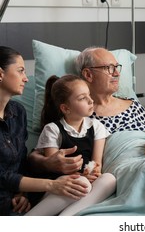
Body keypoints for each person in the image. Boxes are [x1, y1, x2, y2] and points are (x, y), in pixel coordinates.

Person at [28, 47, 145, 176]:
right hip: (127, 171)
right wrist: (48, 163)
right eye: (110, 68)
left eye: (117, 67)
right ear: (88, 74)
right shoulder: (77, 114)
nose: (117, 73)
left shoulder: (133, 105)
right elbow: (37, 155)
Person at [0, 46, 89, 216]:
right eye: (20, 71)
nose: (26, 78)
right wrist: (50, 185)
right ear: (0, 74)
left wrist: (22, 193)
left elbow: (21, 162)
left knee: (78, 183)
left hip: (19, 199)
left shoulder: (18, 112)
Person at [25, 75, 116, 216]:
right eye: (82, 98)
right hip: (58, 184)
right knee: (81, 182)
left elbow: (96, 162)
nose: (91, 101)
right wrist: (81, 176)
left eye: (89, 95)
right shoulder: (53, 129)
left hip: (84, 184)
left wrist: (93, 172)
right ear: (66, 108)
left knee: (109, 179)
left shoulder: (96, 126)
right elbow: (54, 167)